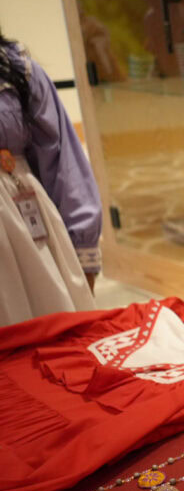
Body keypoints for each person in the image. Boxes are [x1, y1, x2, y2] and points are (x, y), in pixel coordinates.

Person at [0, 31, 101, 327]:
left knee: (46, 344)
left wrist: (83, 245)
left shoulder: (17, 69)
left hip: (24, 233)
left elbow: (61, 160)